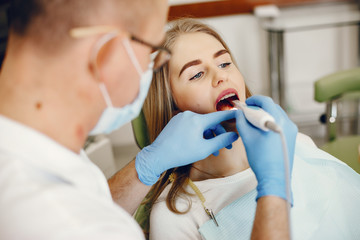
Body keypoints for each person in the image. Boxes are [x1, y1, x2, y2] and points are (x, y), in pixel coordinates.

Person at [0, 1, 295, 239]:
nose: (221, 76)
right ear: (107, 54)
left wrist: (148, 165)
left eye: (224, 62)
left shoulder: (34, 159)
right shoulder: (85, 227)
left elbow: (95, 200)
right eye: (151, 53)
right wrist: (275, 190)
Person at [136, 18, 360, 240]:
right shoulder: (175, 215)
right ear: (173, 110)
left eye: (224, 63)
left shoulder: (295, 144)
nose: (221, 76)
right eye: (196, 74)